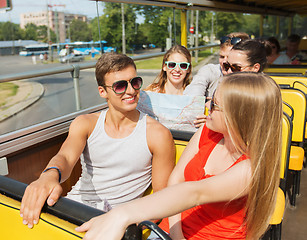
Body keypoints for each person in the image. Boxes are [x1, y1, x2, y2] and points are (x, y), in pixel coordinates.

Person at [77, 72, 282, 240]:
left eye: (215, 105)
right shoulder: (208, 131)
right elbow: (176, 179)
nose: (206, 106)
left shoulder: (250, 169)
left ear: (238, 116)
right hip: (173, 226)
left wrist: (123, 213)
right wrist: (175, 231)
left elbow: (195, 192)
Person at [20, 52, 175, 229]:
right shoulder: (86, 124)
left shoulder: (157, 134)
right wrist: (49, 175)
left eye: (135, 82)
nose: (131, 90)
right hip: (74, 208)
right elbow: (65, 157)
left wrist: (128, 224)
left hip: (116, 222)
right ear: (103, 92)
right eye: (120, 86)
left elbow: (161, 199)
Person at [182, 32, 249, 98]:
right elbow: (193, 95)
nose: (224, 61)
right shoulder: (210, 71)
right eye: (222, 57)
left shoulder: (252, 79)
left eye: (229, 57)